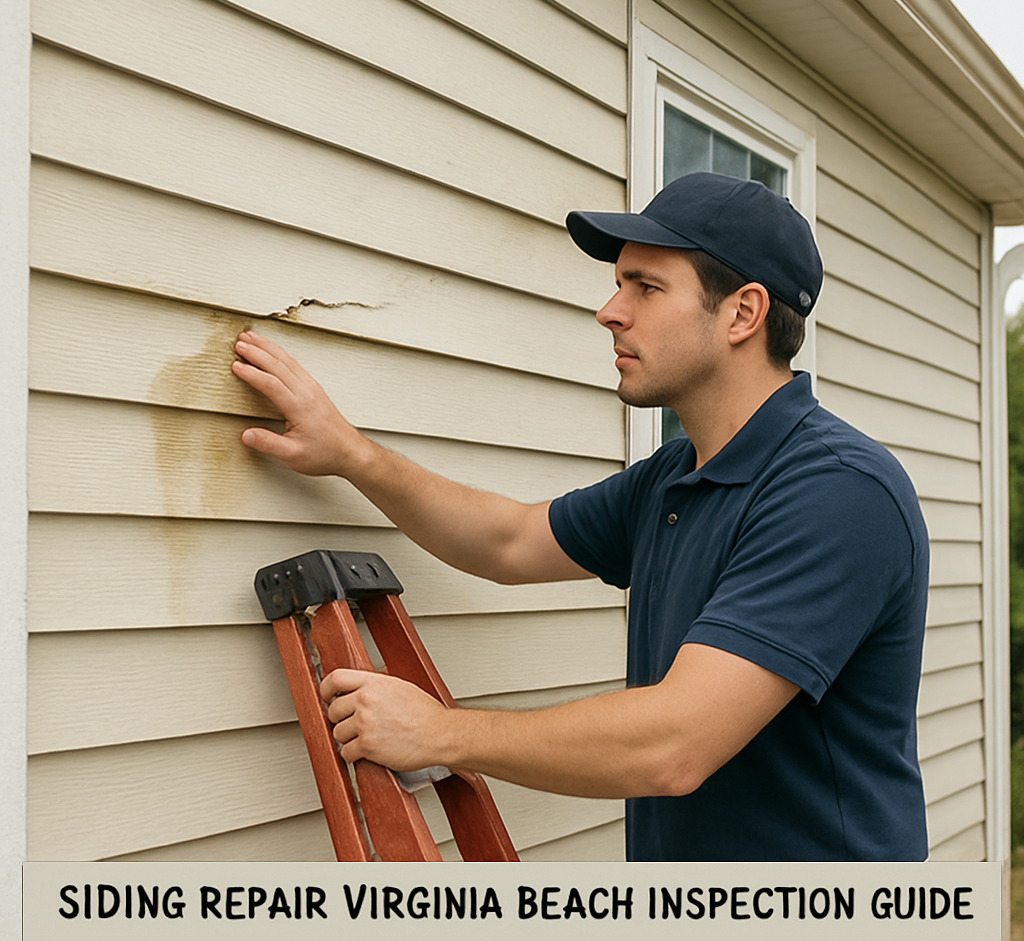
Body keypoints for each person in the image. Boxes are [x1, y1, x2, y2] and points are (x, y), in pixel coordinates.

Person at [232, 172, 929, 861]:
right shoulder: (675, 477)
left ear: (742, 314)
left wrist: (440, 734)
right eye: (620, 284)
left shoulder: (838, 491)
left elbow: (675, 744)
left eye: (646, 288)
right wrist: (351, 454)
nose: (610, 311)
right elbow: (509, 541)